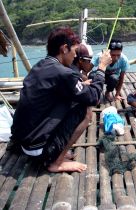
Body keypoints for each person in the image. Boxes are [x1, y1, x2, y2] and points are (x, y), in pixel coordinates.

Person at [10, 27, 112, 173]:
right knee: (85, 110)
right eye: (74, 51)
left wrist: (82, 85)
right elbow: (94, 98)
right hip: (39, 151)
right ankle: (56, 163)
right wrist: (102, 67)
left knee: (75, 100)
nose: (75, 56)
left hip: (24, 144)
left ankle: (55, 152)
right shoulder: (64, 73)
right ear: (65, 48)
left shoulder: (40, 66)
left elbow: (57, 91)